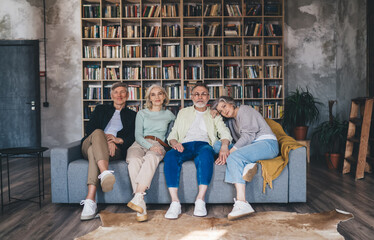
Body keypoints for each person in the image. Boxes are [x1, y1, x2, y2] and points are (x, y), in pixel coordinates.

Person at [163, 82, 232, 219]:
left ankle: (200, 200)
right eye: (196, 94)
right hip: (185, 144)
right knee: (170, 156)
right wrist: (174, 142)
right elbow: (173, 133)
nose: (200, 97)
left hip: (204, 144)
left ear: (208, 97)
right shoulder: (183, 112)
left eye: (203, 94)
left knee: (206, 154)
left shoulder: (214, 114)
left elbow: (225, 132)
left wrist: (224, 145)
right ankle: (175, 202)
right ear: (192, 97)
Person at [211, 96, 279, 220]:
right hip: (251, 146)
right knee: (216, 146)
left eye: (224, 106)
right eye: (221, 111)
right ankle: (247, 163)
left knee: (233, 157)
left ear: (231, 103)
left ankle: (242, 203)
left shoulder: (245, 110)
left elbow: (248, 137)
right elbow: (223, 132)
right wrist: (215, 112)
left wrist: (230, 152)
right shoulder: (231, 120)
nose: (224, 111)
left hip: (267, 144)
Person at [80, 82, 136, 221]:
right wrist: (107, 141)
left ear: (127, 95)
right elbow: (90, 130)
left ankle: (90, 200)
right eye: (116, 92)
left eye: (123, 92)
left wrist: (118, 141)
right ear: (111, 95)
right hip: (90, 143)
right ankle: (105, 172)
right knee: (98, 132)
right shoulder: (101, 109)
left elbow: (134, 136)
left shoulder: (133, 115)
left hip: (114, 150)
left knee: (95, 151)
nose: (119, 95)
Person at [126, 84, 176, 222]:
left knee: (150, 159)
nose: (157, 97)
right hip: (139, 143)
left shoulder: (169, 114)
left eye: (160, 93)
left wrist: (155, 146)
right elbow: (138, 135)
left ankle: (138, 197)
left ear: (164, 96)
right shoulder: (141, 113)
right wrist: (149, 145)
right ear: (149, 98)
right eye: (153, 94)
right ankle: (140, 202)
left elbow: (178, 130)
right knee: (134, 161)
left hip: (158, 143)